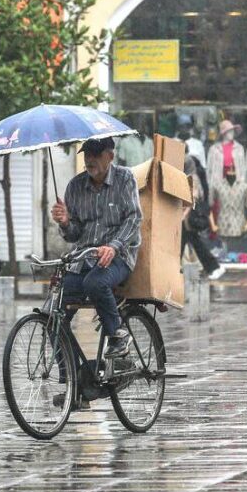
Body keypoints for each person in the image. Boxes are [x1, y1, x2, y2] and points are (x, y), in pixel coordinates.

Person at [51, 137, 142, 361]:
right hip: (84, 259)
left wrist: (113, 246)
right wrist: (65, 222)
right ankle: (72, 375)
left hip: (118, 257)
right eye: (87, 154)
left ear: (110, 156)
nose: (89, 159)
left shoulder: (125, 178)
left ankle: (117, 336)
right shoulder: (75, 186)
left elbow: (133, 219)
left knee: (95, 282)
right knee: (53, 317)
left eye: (96, 154)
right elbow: (74, 234)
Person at [182, 155, 225, 280]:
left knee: (194, 243)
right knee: (192, 243)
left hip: (188, 218)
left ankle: (214, 267)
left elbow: (193, 198)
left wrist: (184, 214)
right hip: (187, 219)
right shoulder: (190, 177)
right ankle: (213, 267)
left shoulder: (192, 178)